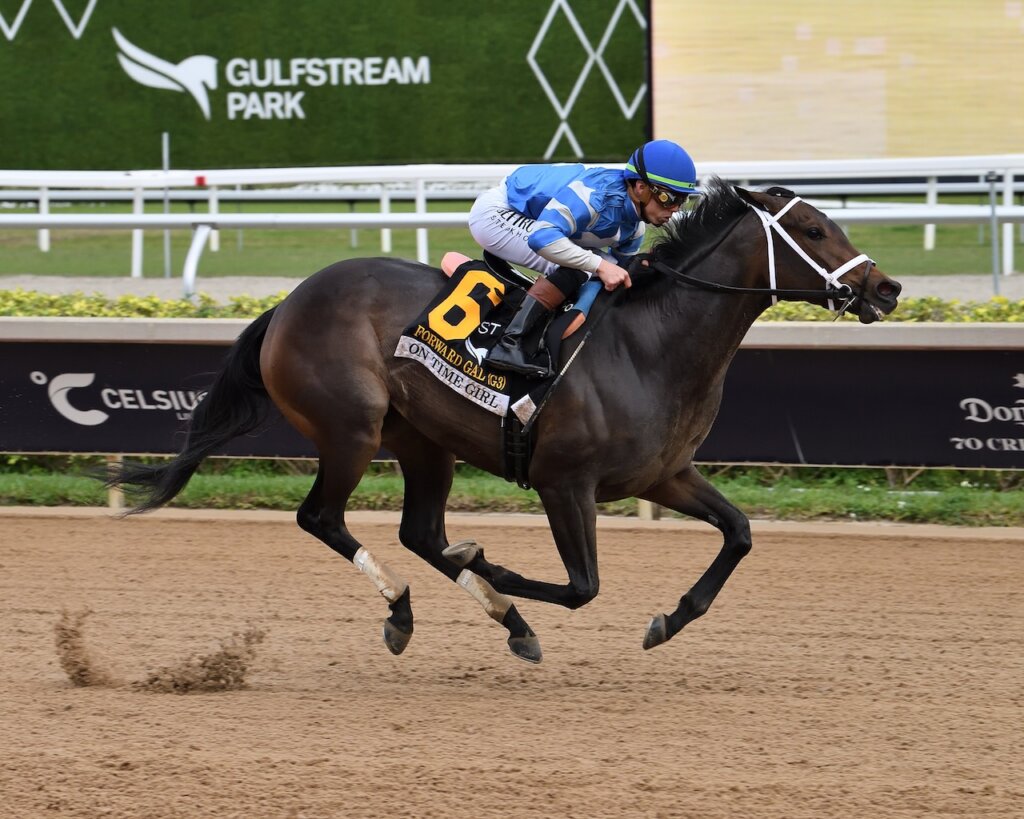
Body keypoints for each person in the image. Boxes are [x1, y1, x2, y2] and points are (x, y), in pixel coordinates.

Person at [467, 139, 697, 376]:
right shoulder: (595, 197)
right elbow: (542, 238)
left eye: (683, 200)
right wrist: (598, 265)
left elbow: (618, 273)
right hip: (499, 213)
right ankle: (510, 343)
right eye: (669, 199)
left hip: (537, 220)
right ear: (640, 187)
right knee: (584, 266)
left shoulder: (635, 227)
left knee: (609, 268)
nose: (676, 209)